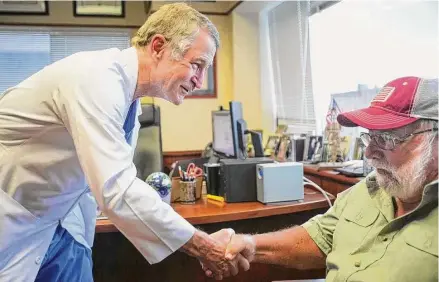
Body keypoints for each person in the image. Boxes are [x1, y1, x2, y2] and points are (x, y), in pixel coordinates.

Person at [0, 3, 248, 281]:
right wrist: (203, 246)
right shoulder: (95, 78)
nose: (200, 81)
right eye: (197, 65)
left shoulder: (130, 99)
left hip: (62, 224)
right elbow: (117, 188)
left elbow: (112, 179)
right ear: (157, 46)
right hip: (14, 223)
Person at [208, 76, 438, 281]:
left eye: (388, 138)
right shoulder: (368, 190)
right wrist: (250, 244)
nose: (369, 153)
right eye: (371, 137)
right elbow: (320, 237)